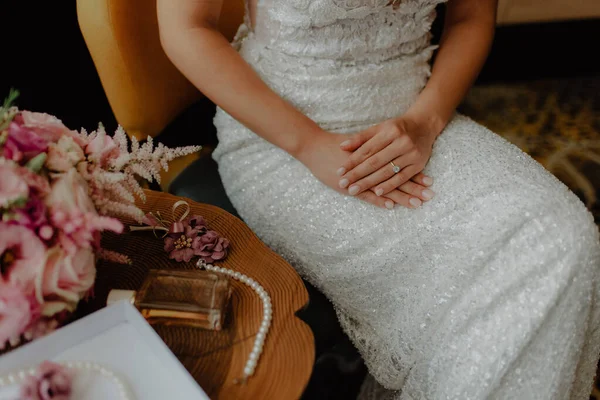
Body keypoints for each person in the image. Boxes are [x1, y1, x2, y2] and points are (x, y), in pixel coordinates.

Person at [157, 0, 600, 398]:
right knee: (481, 279)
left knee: (565, 235)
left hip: (419, 123)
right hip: (283, 139)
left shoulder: (423, 123)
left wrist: (425, 122)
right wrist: (309, 145)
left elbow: (472, 16)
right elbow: (185, 27)